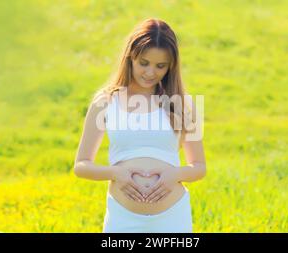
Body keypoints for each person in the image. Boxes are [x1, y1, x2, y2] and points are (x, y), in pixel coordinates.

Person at [73, 18, 206, 233]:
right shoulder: (105, 101)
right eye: (143, 63)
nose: (150, 72)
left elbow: (199, 167)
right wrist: (116, 173)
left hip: (172, 218)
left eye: (160, 66)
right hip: (122, 218)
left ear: (170, 67)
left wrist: (175, 174)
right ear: (130, 58)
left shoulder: (181, 104)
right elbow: (81, 166)